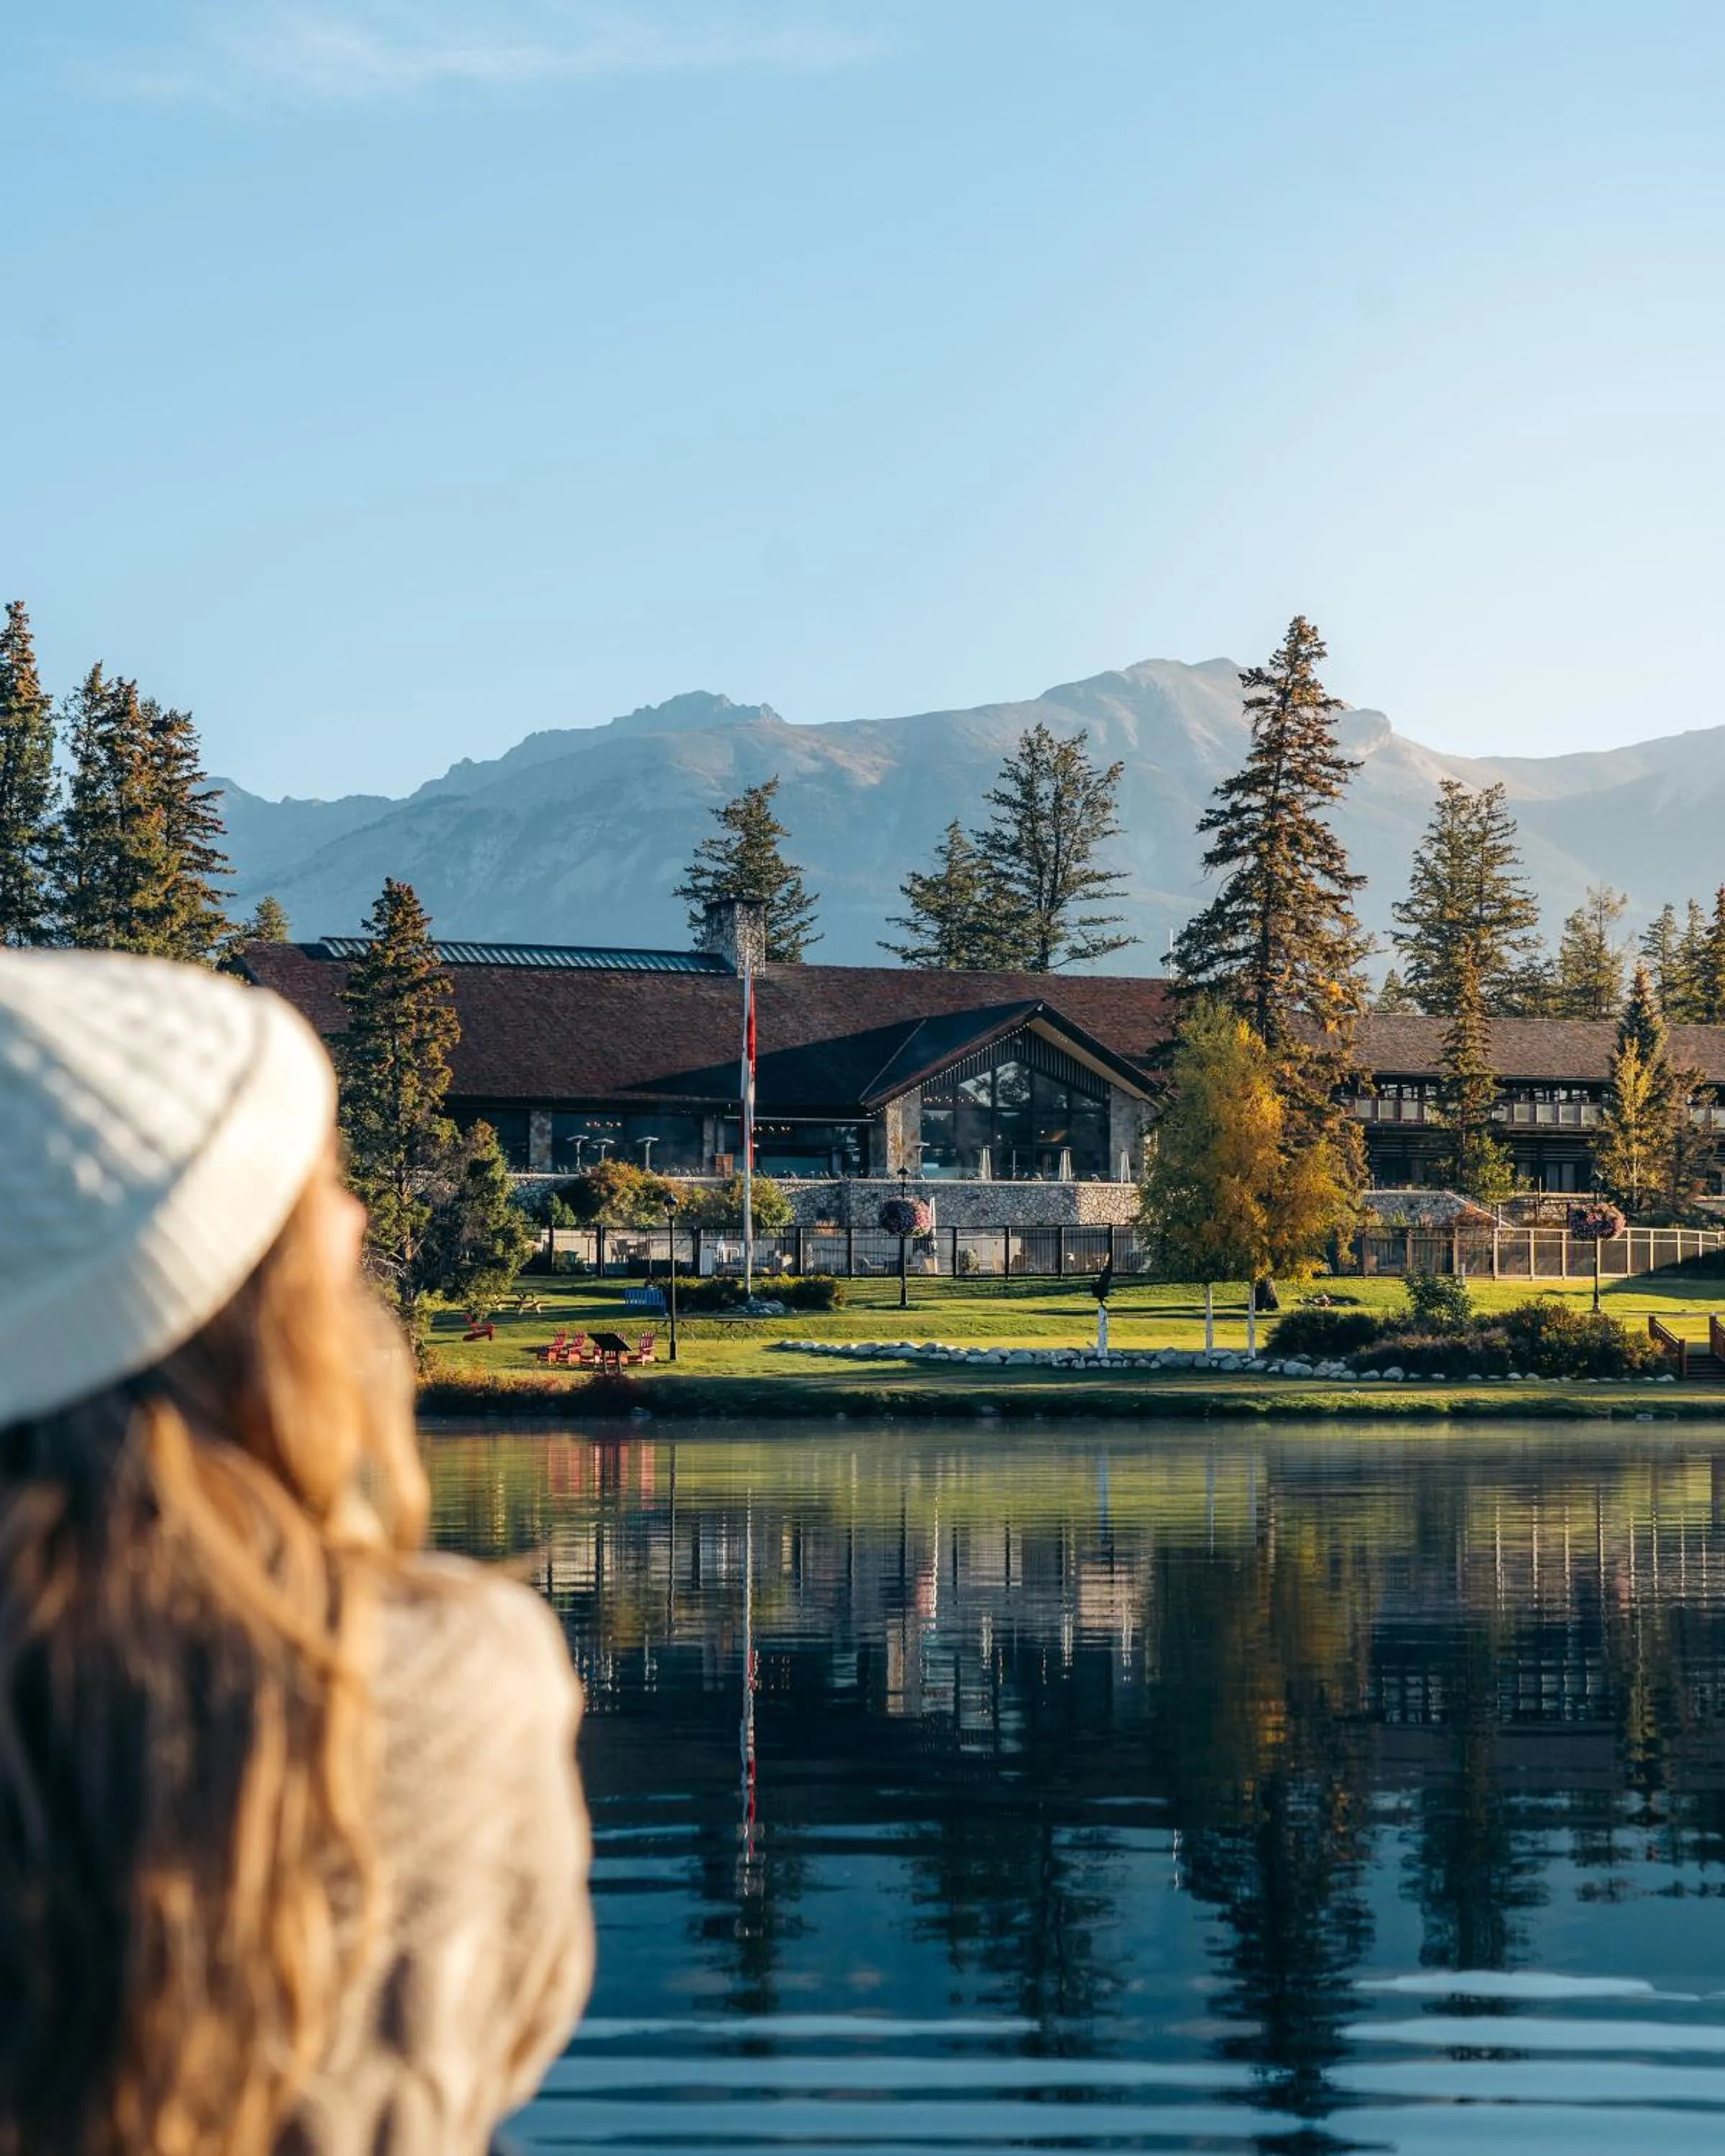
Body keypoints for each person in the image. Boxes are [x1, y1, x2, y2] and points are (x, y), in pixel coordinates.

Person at [0, 951, 594, 2156]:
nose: (355, 1218)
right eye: (316, 1182)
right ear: (232, 1293)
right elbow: (507, 2037)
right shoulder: (442, 1681)